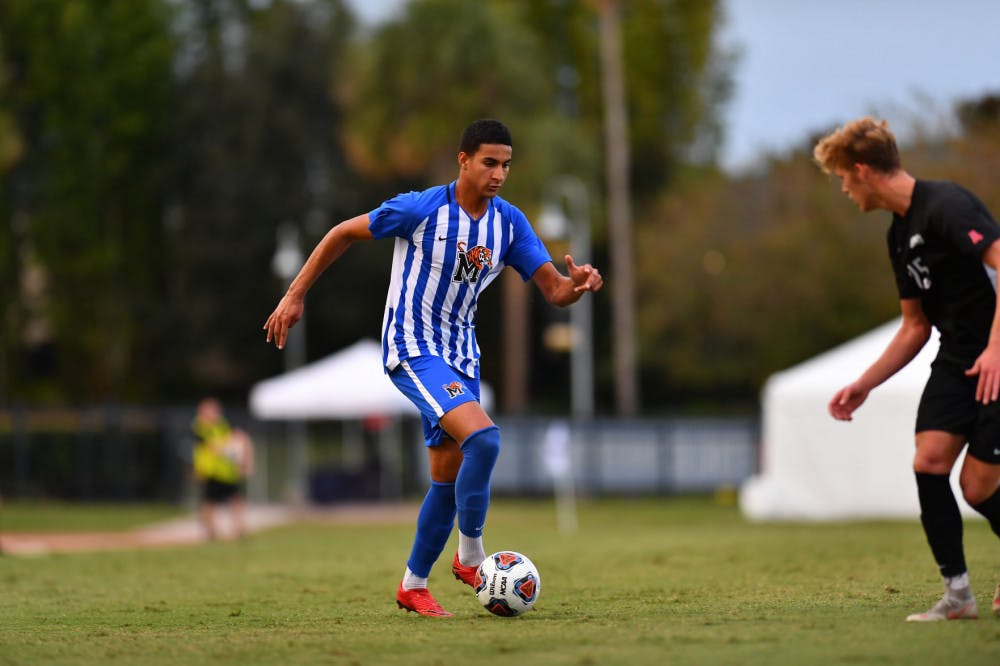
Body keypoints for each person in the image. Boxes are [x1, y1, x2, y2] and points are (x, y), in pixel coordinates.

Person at [262, 119, 603, 617]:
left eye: (506, 165)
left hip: (462, 356)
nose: (499, 174)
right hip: (412, 347)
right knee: (484, 440)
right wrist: (294, 295)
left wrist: (577, 286)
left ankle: (413, 585)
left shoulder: (509, 223)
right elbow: (343, 232)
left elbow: (553, 290)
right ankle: (471, 557)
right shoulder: (420, 209)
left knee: (447, 478)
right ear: (463, 160)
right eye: (489, 163)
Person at [813, 117, 1000, 621]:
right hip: (958, 358)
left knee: (978, 487)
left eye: (844, 179)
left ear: (862, 170)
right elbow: (915, 327)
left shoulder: (947, 205)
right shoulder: (898, 236)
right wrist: (864, 384)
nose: (845, 191)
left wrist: (997, 348)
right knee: (929, 461)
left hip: (998, 355)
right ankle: (958, 596)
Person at [192, 397, 255, 540]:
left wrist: (242, 459)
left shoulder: (222, 425)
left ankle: (240, 528)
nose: (215, 413)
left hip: (226, 471)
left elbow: (237, 440)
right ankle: (211, 531)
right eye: (211, 410)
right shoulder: (199, 427)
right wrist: (230, 444)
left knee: (235, 499)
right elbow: (213, 446)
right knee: (210, 502)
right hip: (211, 471)